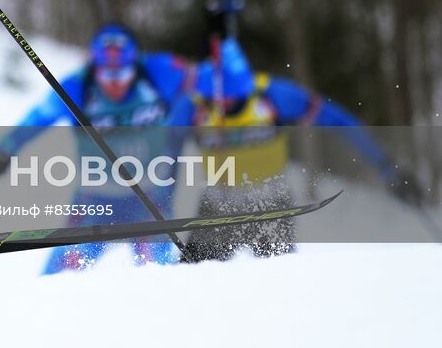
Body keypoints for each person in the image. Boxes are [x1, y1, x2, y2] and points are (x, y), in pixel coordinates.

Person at [177, 34, 423, 261]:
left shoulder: (274, 96)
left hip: (270, 205)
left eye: (232, 95)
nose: (224, 103)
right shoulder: (193, 106)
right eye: (217, 97)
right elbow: (160, 146)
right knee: (193, 285)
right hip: (218, 206)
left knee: (278, 290)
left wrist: (387, 168)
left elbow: (339, 121)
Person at [0, 23, 196, 272]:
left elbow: (211, 84)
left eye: (122, 75)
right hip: (95, 202)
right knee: (59, 276)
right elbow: (38, 119)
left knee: (157, 277)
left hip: (149, 200)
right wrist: (6, 149)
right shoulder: (78, 86)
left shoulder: (158, 72)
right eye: (107, 76)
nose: (115, 85)